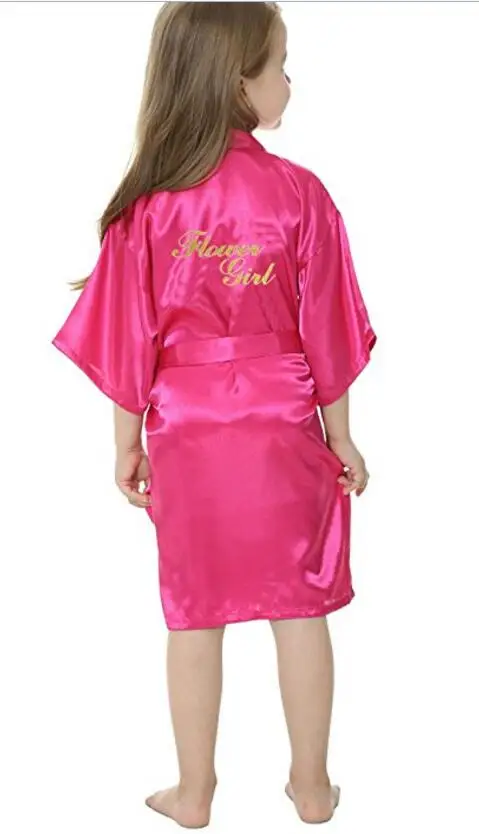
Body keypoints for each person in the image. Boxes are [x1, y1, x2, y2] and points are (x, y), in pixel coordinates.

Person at [51, 2, 377, 828]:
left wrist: (127, 443)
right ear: (239, 84)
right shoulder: (299, 194)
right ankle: (312, 788)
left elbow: (127, 338)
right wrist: (340, 437)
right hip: (281, 417)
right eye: (280, 67)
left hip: (187, 426)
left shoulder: (149, 207)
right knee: (298, 602)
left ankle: (193, 792)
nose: (288, 82)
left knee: (193, 611)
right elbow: (328, 329)